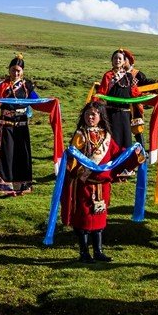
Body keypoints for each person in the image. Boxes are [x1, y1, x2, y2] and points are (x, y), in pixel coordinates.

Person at [61, 101, 125, 262]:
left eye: (94, 114)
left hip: (102, 186)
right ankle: (84, 253)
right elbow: (72, 157)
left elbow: (117, 153)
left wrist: (133, 152)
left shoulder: (107, 136)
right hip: (84, 183)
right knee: (83, 217)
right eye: (88, 114)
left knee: (100, 216)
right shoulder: (80, 135)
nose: (90, 117)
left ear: (101, 117)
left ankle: (98, 251)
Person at [0, 54, 38, 195]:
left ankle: (22, 185)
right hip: (6, 125)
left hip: (22, 125)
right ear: (9, 70)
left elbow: (37, 102)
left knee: (22, 154)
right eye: (13, 70)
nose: (15, 73)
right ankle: (4, 184)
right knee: (6, 154)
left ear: (22, 71)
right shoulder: (2, 86)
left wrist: (51, 103)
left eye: (18, 70)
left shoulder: (28, 86)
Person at [97, 49, 141, 175]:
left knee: (127, 139)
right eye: (115, 58)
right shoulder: (108, 76)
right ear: (112, 61)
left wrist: (151, 97)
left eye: (120, 59)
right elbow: (102, 92)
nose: (117, 60)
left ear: (123, 62)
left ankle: (127, 167)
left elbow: (135, 93)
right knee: (114, 139)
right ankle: (113, 166)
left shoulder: (129, 76)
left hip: (126, 113)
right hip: (112, 113)